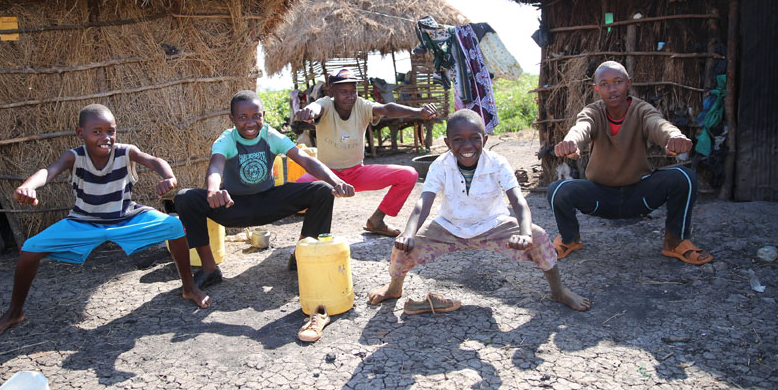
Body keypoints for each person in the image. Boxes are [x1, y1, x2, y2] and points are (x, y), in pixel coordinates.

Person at [0, 104, 207, 339]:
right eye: (97, 131)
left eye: (110, 131)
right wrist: (28, 186)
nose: (106, 137)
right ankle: (14, 311)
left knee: (173, 226)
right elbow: (48, 172)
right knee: (31, 248)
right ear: (80, 133)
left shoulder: (125, 152)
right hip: (83, 222)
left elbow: (154, 160)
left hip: (125, 218)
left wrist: (168, 177)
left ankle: (188, 287)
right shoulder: (74, 156)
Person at [368, 109, 591, 313]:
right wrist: (408, 232)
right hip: (449, 226)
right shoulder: (440, 165)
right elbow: (423, 203)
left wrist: (524, 233)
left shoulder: (498, 163)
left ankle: (558, 291)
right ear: (447, 142)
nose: (467, 146)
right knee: (404, 244)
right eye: (458, 140)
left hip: (493, 224)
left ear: (484, 139)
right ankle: (394, 288)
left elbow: (518, 202)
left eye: (475, 138)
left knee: (539, 237)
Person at [174, 90, 354, 280]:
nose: (251, 123)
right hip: (234, 206)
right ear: (232, 119)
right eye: (243, 117)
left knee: (323, 191)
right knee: (186, 198)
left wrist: (337, 181)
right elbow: (216, 166)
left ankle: (301, 255)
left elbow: (305, 160)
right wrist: (213, 190)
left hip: (268, 201)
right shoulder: (227, 139)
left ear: (263, 116)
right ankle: (209, 269)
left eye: (256, 116)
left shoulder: (270, 135)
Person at [548, 60, 712, 264]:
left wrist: (673, 137)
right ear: (596, 88)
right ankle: (569, 239)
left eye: (618, 82)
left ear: (629, 83)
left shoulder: (642, 110)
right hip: (600, 197)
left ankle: (676, 241)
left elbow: (658, 124)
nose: (612, 88)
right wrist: (572, 142)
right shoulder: (593, 112)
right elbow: (582, 127)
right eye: (605, 84)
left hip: (639, 196)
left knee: (685, 178)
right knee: (557, 190)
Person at [293, 68, 437, 239]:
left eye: (353, 91)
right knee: (297, 190)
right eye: (344, 92)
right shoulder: (325, 104)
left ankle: (377, 221)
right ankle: (311, 234)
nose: (350, 96)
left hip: (356, 173)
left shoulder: (361, 105)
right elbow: (316, 107)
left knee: (408, 175)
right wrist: (309, 111)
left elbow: (387, 109)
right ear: (332, 92)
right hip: (327, 176)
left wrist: (418, 112)